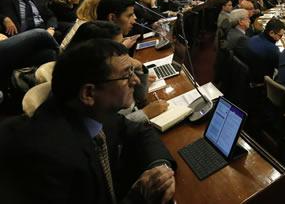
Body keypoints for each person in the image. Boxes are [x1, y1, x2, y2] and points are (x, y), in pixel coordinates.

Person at [0, 39, 176, 204]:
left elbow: (139, 131)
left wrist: (160, 169)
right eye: (126, 75)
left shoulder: (94, 111)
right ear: (88, 93)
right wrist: (138, 198)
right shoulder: (50, 161)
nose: (135, 80)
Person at [247, 18, 285, 83]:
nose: (280, 38)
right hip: (263, 81)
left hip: (252, 75)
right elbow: (282, 67)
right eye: (280, 35)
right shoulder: (272, 49)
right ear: (271, 33)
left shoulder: (253, 38)